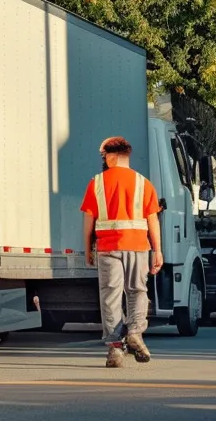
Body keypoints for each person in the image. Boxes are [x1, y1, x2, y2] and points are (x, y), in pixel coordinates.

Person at [80, 135, 163, 369]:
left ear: (113, 156)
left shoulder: (96, 183)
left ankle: (115, 349)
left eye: (105, 156)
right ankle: (135, 332)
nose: (104, 160)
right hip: (138, 246)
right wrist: (157, 250)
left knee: (111, 296)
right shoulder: (143, 183)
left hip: (108, 248)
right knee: (138, 291)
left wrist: (87, 248)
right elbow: (152, 219)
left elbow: (89, 219)